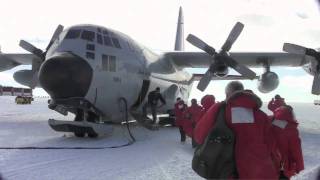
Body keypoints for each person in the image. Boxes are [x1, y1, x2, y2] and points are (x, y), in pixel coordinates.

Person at [194, 81, 278, 179]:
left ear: (227, 94)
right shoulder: (261, 115)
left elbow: (199, 137)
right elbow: (271, 143)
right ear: (242, 92)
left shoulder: (218, 109)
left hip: (226, 170)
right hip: (257, 170)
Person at [270, 105, 304, 179]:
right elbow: (296, 151)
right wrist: (300, 167)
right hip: (283, 166)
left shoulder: (268, 122)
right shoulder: (290, 128)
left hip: (267, 162)